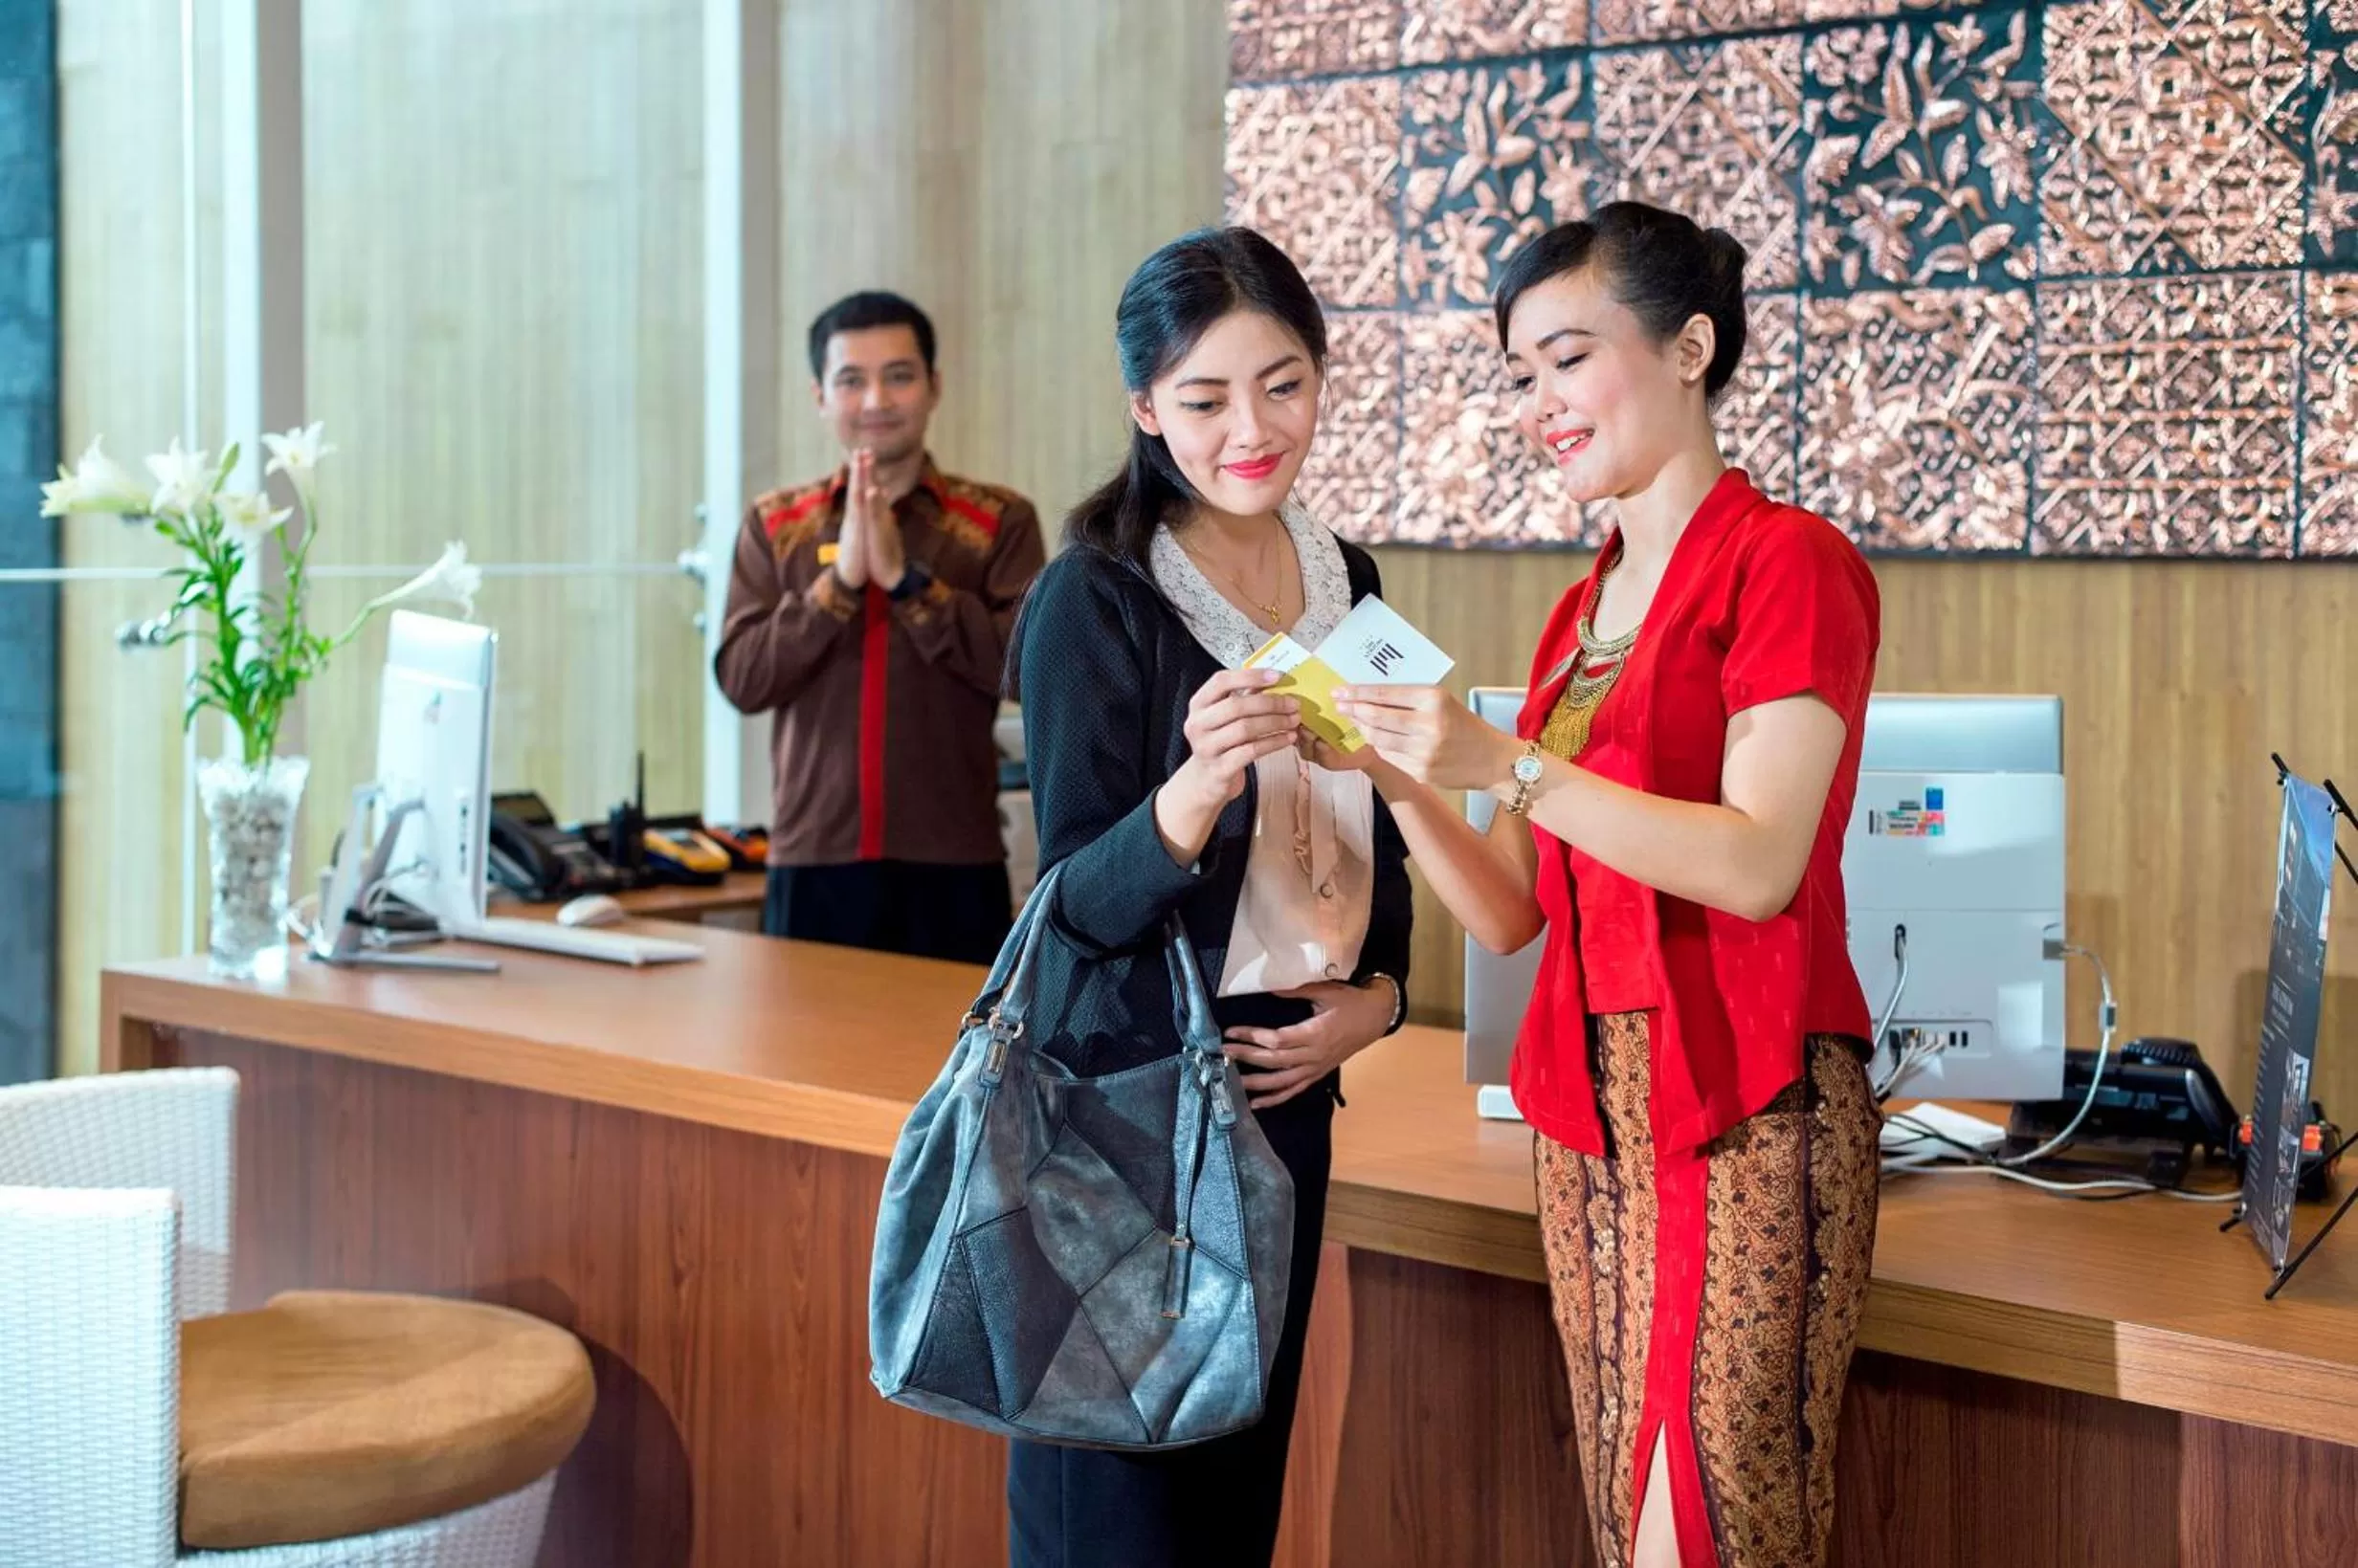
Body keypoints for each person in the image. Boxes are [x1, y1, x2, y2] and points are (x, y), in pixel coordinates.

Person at [1331, 202, 1883, 1568]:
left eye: (1569, 359)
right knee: (1623, 1508)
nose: (1541, 404)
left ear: (1690, 348)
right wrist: (1397, 773)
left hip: (1746, 1095)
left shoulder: (1786, 560)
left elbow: (1755, 862)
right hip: (1585, 1112)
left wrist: (1506, 762)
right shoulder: (1578, 614)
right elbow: (1512, 910)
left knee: (1716, 1523)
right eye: (1521, 374)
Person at [1005, 227, 1414, 1568]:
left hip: (1282, 1111)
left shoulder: (1349, 579)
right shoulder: (1094, 595)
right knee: (1119, 1521)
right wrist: (1193, 785)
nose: (1253, 429)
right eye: (1205, 398)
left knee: (1235, 1512)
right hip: (1123, 1130)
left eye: (1283, 384)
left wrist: (1381, 999)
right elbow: (1070, 911)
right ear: (1145, 409)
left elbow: (1386, 834)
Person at [715, 290, 1045, 964]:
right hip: (812, 857)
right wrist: (838, 586)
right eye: (851, 380)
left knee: (953, 1037)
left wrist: (907, 583)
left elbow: (1027, 671)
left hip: (955, 860)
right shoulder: (778, 524)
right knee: (802, 1035)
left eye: (898, 376)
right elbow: (744, 679)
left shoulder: (996, 520)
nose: (875, 400)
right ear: (820, 396)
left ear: (934, 386)